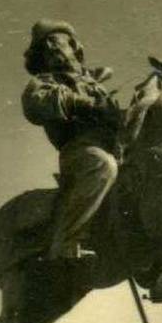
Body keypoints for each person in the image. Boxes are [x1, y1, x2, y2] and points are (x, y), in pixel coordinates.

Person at [21, 20, 122, 265]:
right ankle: (68, 242)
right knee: (103, 166)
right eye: (45, 48)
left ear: (74, 46)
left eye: (56, 42)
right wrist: (78, 102)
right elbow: (34, 103)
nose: (51, 48)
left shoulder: (95, 84)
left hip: (117, 147)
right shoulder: (44, 81)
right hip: (80, 151)